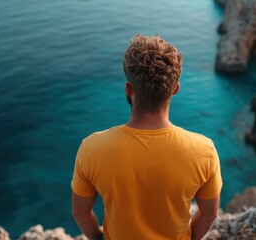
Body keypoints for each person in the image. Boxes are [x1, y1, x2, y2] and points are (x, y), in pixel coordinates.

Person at [71, 34, 223, 240]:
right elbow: (209, 213)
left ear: (128, 90)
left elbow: (80, 212)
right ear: (175, 89)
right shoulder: (204, 150)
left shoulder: (91, 148)